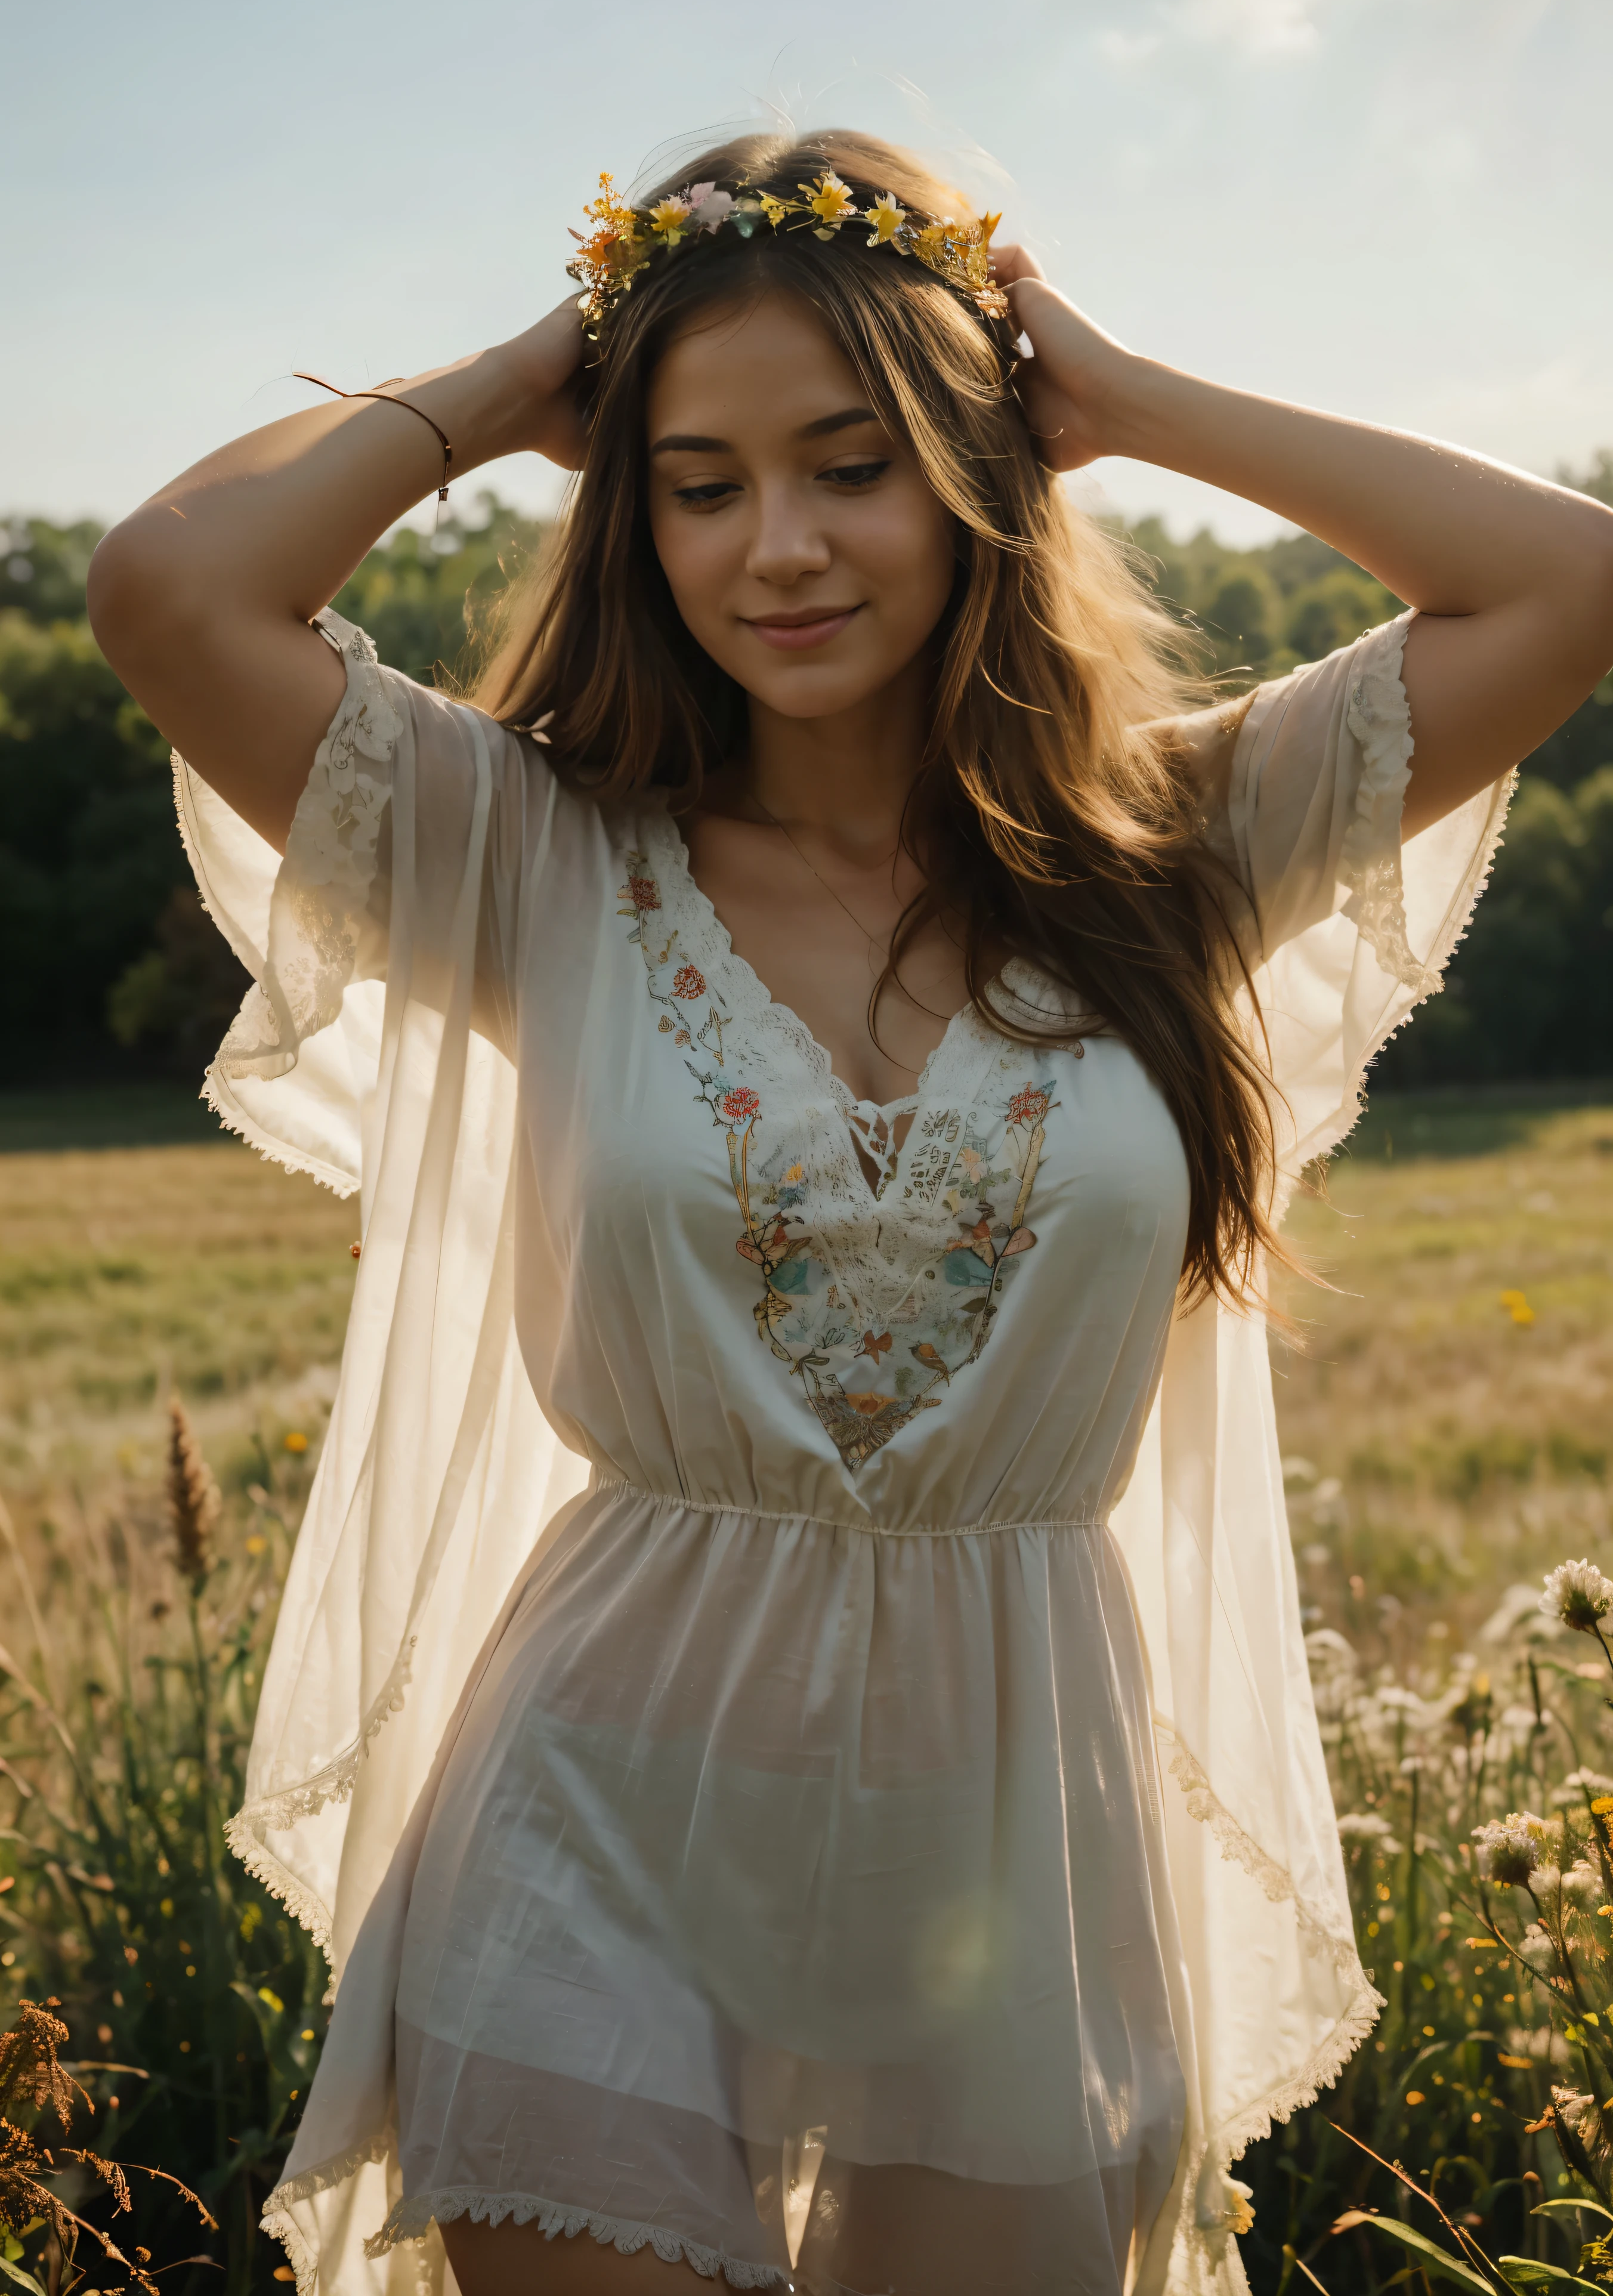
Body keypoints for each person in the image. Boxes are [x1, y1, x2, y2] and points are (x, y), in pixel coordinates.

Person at [87, 131, 1613, 2296]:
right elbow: (169, 592)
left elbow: (1569, 579)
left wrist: (1117, 393)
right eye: (697, 482)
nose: (775, 548)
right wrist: (545, 365)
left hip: (1020, 1845)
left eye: (851, 460)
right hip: (594, 1818)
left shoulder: (1176, 851)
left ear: (979, 473)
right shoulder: (526, 853)